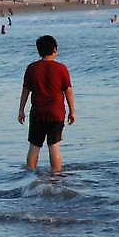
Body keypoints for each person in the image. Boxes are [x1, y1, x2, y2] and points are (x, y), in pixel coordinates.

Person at [18, 35, 75, 173]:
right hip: (56, 112)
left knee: (34, 146)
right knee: (54, 146)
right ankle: (56, 177)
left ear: (39, 51)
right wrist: (72, 110)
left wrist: (21, 110)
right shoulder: (61, 68)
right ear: (55, 49)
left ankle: (30, 178)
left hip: (38, 112)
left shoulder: (32, 68)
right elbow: (68, 91)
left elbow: (25, 91)